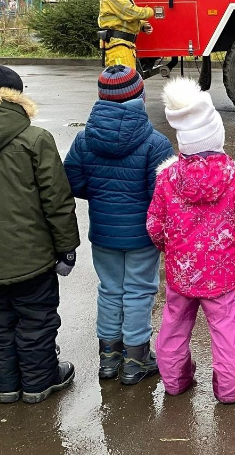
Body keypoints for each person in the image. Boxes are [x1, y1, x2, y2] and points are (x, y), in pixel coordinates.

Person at [0, 63, 80, 404]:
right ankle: (39, 382)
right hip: (31, 255)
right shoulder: (34, 139)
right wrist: (66, 248)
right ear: (16, 98)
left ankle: (7, 384)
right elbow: (57, 199)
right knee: (36, 318)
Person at [146, 78, 235, 403]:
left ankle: (176, 381)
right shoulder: (234, 178)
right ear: (217, 137)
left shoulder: (167, 178)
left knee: (174, 323)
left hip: (181, 270)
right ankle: (233, 390)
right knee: (226, 328)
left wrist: (167, 248)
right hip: (220, 273)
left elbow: (154, 223)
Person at [64, 66, 174, 384]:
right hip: (141, 235)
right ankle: (135, 359)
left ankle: (109, 358)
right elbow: (161, 197)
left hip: (102, 231)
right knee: (139, 292)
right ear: (139, 95)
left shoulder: (84, 139)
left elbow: (72, 181)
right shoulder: (155, 143)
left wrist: (100, 196)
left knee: (110, 289)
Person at [98, 0, 154, 68]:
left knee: (128, 82)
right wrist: (150, 11)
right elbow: (130, 13)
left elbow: (123, 19)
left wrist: (142, 25)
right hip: (118, 47)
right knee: (122, 83)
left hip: (124, 45)